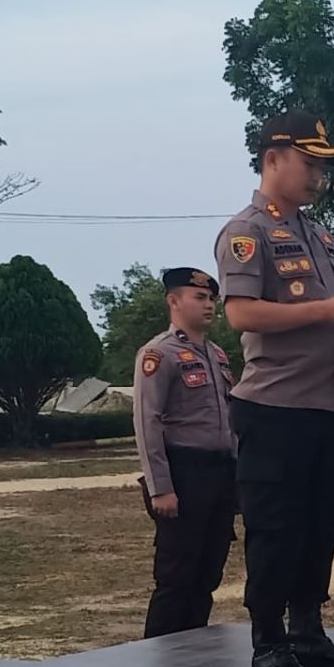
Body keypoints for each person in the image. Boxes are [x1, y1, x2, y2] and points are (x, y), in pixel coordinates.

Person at [215, 109, 334, 667]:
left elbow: (326, 320)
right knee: (275, 528)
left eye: (324, 166)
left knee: (320, 525)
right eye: (311, 163)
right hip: (275, 409)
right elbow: (241, 314)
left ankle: (308, 632)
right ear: (273, 158)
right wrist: (326, 310)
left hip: (325, 409)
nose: (319, 176)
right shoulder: (246, 231)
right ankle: (267, 645)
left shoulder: (320, 235)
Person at [134, 268, 238, 640]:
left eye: (211, 298)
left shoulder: (217, 354)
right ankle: (159, 655)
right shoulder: (159, 353)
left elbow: (230, 418)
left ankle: (193, 650)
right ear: (173, 301)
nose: (209, 305)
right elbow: (148, 423)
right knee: (177, 574)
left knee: (208, 572)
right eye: (199, 297)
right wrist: (160, 486)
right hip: (184, 472)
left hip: (220, 473)